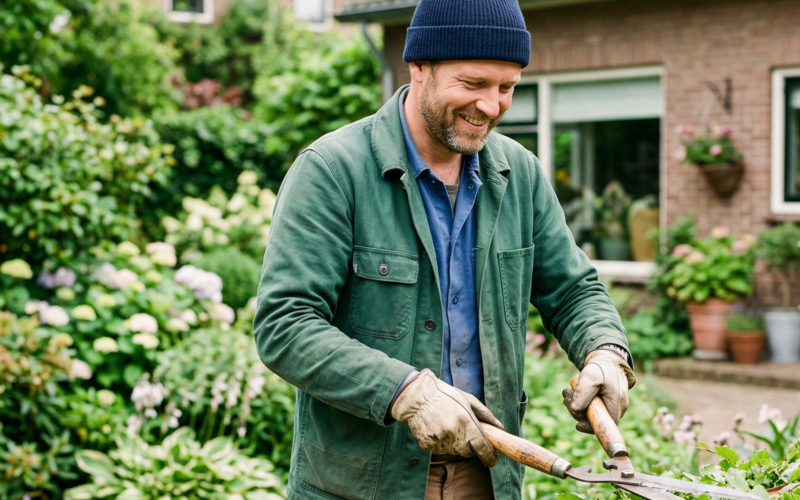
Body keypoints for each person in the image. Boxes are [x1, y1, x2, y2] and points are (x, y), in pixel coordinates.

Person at [252, 0, 635, 498]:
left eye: (507, 88)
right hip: (363, 482)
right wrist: (405, 391)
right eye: (473, 84)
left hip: (487, 474)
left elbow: (573, 288)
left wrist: (605, 350)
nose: (492, 105)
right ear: (420, 67)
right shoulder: (333, 170)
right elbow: (285, 324)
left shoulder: (518, 175)